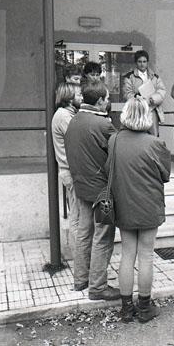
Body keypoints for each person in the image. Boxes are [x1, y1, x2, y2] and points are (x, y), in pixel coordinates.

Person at [108, 97, 171, 323]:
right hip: (149, 206)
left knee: (127, 254)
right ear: (146, 116)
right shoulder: (156, 143)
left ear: (124, 115)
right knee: (146, 255)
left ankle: (126, 309)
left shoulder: (113, 140)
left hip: (123, 204)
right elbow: (166, 175)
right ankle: (144, 307)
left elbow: (107, 169)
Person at [64, 81, 119, 300]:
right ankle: (97, 287)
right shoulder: (103, 125)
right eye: (107, 98)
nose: (108, 102)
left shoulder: (73, 121)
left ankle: (81, 280)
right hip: (103, 192)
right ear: (99, 101)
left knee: (84, 233)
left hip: (81, 186)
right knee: (103, 237)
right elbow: (119, 152)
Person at [51, 82, 83, 278]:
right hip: (72, 172)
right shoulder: (64, 116)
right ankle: (81, 267)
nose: (81, 97)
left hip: (70, 171)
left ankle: (82, 265)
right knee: (77, 220)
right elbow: (80, 139)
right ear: (69, 98)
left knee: (77, 218)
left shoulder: (66, 115)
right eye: (78, 94)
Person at [122, 50, 167, 136]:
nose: (142, 64)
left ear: (147, 62)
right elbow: (127, 94)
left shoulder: (155, 77)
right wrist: (138, 98)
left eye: (144, 61)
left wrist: (152, 99)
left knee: (153, 135)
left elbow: (162, 91)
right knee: (138, 135)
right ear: (136, 62)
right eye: (139, 61)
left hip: (152, 109)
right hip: (137, 110)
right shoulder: (129, 77)